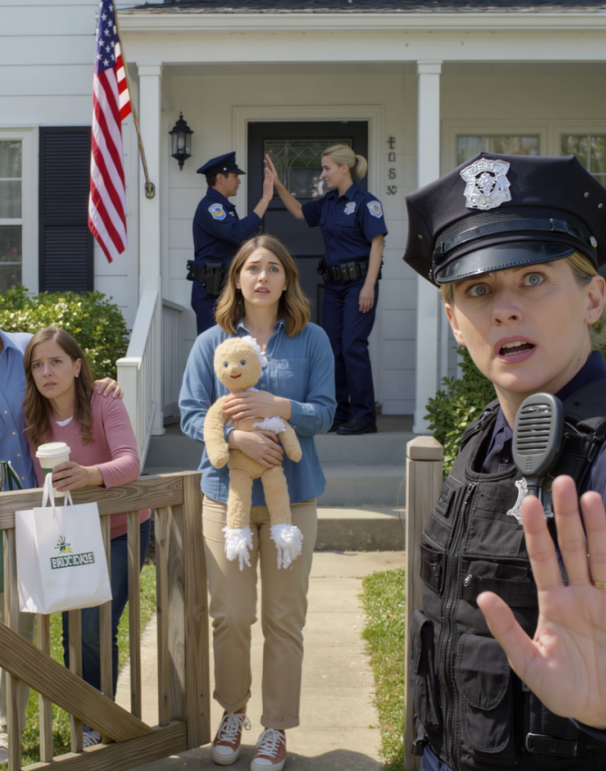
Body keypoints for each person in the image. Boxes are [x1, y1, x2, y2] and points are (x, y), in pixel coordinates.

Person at [402, 152, 606, 771]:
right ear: (453, 321)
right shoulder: (482, 440)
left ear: (593, 297)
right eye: (478, 289)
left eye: (536, 279)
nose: (505, 308)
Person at [0, 274, 122, 767]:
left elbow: (69, 382)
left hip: (32, 506)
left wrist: (103, 386)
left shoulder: (27, 352)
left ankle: (7, 733)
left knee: (20, 624)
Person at [179, 234, 335, 771]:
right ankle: (232, 710)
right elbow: (191, 415)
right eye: (252, 268)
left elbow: (325, 413)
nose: (262, 276)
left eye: (273, 267)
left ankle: (275, 728)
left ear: (287, 279)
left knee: (284, 618)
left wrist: (280, 406)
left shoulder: (312, 339)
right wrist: (236, 439)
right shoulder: (211, 342)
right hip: (227, 501)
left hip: (295, 501)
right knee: (230, 614)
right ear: (238, 280)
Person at [23, 327, 152, 747]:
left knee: (96, 626)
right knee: (72, 627)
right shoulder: (33, 420)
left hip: (119, 531)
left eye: (56, 361)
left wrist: (89, 476)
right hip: (69, 536)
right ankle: (86, 715)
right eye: (38, 364)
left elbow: (130, 463)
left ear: (77, 366)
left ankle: (100, 719)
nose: (47, 371)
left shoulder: (103, 401)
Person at [266, 145, 387, 435]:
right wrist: (278, 183)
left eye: (327, 168)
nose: (323, 174)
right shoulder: (328, 202)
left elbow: (377, 243)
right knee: (332, 348)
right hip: (334, 286)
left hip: (359, 284)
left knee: (352, 346)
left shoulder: (366, 202)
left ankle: (365, 415)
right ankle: (341, 413)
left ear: (344, 168)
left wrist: (369, 285)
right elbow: (297, 211)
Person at [189, 152, 275, 335]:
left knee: (229, 351)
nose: (239, 181)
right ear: (220, 178)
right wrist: (265, 199)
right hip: (210, 294)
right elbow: (238, 233)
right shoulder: (212, 207)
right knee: (215, 352)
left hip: (220, 291)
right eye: (235, 176)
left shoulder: (221, 206)